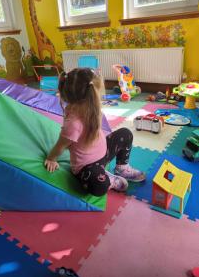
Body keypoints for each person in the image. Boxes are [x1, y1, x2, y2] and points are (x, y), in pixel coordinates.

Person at [44, 68, 145, 197]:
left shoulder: (93, 108)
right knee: (99, 187)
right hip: (87, 167)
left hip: (103, 153)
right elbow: (61, 145)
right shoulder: (73, 124)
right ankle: (108, 179)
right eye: (99, 93)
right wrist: (51, 158)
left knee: (126, 133)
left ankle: (121, 168)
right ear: (91, 94)